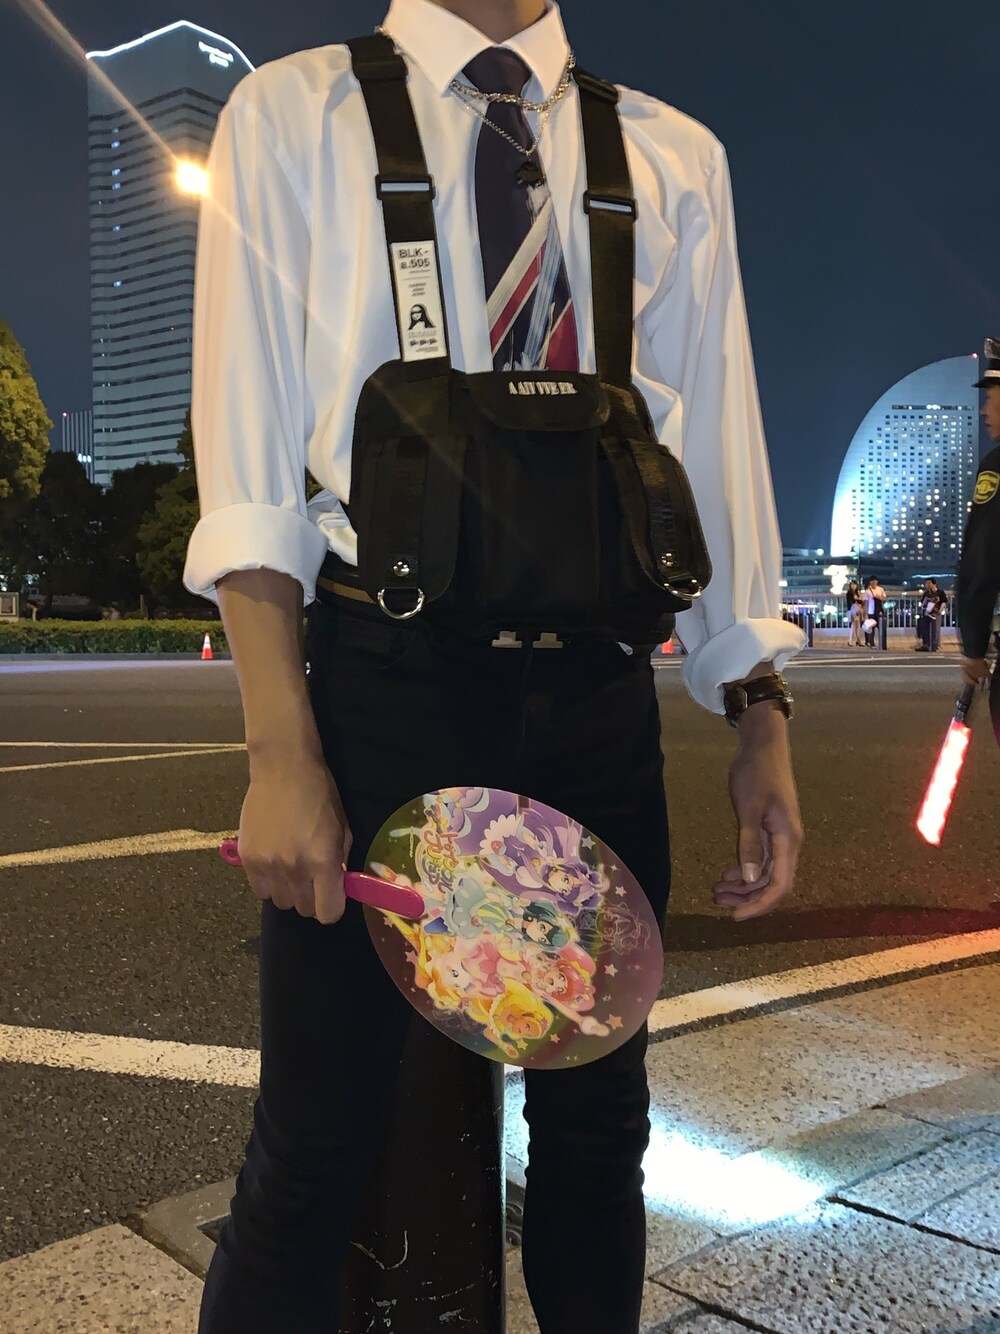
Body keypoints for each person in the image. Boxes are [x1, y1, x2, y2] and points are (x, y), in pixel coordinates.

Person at [182, 2, 805, 1331]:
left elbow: (715, 445)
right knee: (318, 1137)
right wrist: (280, 750)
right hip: (383, 683)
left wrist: (758, 709)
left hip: (595, 699)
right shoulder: (291, 115)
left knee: (597, 1133)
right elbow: (247, 466)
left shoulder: (672, 154)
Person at [957, 338, 1000, 687]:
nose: (984, 410)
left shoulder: (997, 466)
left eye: (990, 397)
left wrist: (973, 648)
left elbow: (982, 559)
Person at [916, 577, 946, 652]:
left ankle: (935, 645)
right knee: (925, 629)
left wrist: (940, 611)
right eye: (926, 583)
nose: (927, 585)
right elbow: (923, 603)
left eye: (929, 583)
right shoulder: (926, 593)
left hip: (936, 614)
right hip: (926, 614)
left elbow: (943, 602)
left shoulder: (940, 592)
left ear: (934, 584)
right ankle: (925, 645)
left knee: (935, 630)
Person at [863, 575, 886, 648]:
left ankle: (882, 642)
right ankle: (871, 643)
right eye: (872, 581)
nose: (874, 582)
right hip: (871, 611)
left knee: (881, 627)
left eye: (875, 581)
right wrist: (866, 613)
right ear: (870, 582)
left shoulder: (881, 589)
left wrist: (877, 597)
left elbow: (884, 598)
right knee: (871, 628)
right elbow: (866, 603)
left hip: (879, 611)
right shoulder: (867, 591)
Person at [845, 578, 864, 647]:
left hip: (857, 610)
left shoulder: (856, 593)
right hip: (852, 610)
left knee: (857, 625)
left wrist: (857, 601)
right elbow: (853, 601)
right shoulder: (849, 593)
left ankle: (856, 640)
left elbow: (860, 601)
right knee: (854, 625)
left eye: (854, 584)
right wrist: (857, 601)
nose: (853, 586)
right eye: (852, 584)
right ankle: (852, 640)